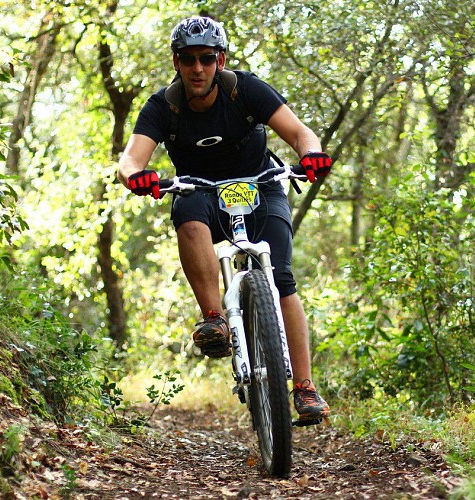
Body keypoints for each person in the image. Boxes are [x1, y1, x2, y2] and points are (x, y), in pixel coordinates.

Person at [117, 16, 331, 422]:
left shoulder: (245, 90)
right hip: (201, 192)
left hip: (261, 185)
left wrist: (310, 155)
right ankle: (215, 320)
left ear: (221, 60)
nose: (198, 68)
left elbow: (301, 132)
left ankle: (304, 388)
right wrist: (136, 177)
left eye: (206, 59)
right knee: (188, 214)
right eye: (188, 59)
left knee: (282, 278)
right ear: (176, 62)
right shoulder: (164, 106)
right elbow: (130, 160)